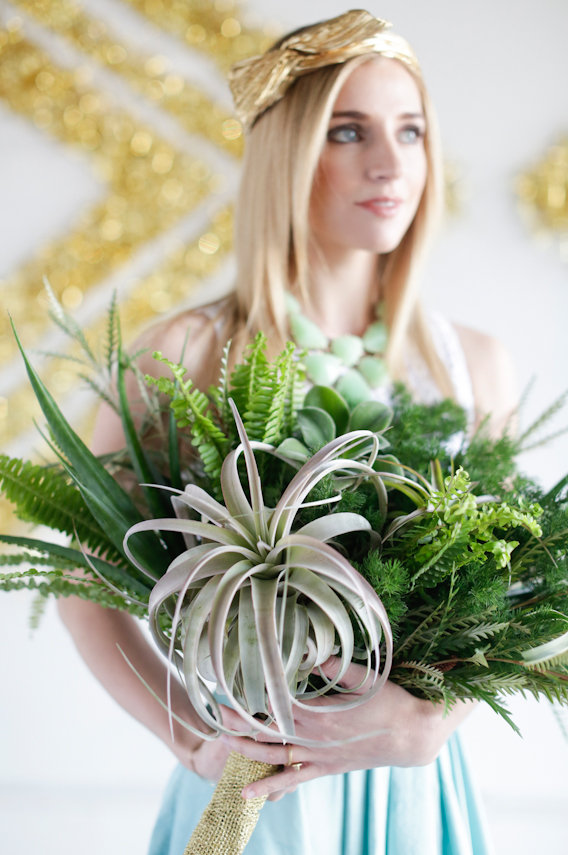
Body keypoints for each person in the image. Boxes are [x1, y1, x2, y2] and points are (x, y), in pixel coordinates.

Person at [58, 10, 517, 854]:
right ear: (287, 153)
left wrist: (431, 724)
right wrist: (191, 737)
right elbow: (84, 576)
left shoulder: (472, 364)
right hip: (258, 785)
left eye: (410, 131)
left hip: (416, 794)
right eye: (349, 130)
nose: (390, 163)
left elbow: (524, 591)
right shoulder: (185, 353)